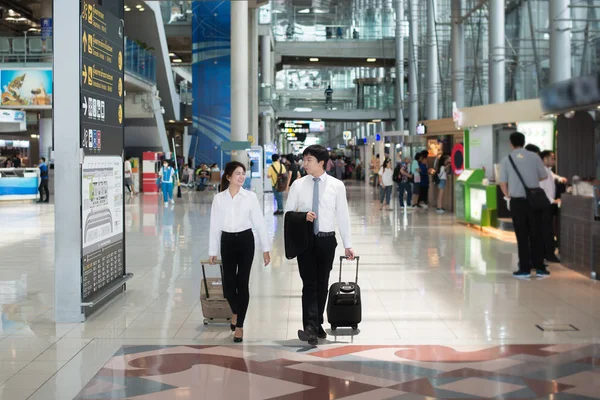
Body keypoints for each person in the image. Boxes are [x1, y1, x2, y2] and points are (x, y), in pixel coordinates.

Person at [285, 145, 354, 346]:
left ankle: (316, 324)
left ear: (321, 163)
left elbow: (342, 215)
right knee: (309, 284)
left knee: (322, 283)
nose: (304, 164)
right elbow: (288, 214)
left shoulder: (336, 185)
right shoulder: (298, 185)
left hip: (326, 240)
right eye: (304, 160)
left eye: (309, 160)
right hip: (305, 240)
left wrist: (347, 244)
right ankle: (311, 327)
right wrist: (302, 216)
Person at [208, 161, 271, 343]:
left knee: (242, 283)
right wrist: (213, 250)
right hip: (227, 242)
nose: (241, 176)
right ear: (228, 177)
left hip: (245, 241)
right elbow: (214, 226)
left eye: (243, 173)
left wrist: (266, 249)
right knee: (228, 286)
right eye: (237, 173)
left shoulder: (250, 197)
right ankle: (236, 311)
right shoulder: (219, 198)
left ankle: (240, 325)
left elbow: (259, 223)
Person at [499, 132, 549, 278]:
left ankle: (525, 269)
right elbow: (544, 176)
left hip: (517, 202)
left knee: (522, 235)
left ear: (511, 143)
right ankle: (539, 267)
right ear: (524, 141)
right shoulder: (534, 156)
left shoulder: (507, 159)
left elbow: (503, 182)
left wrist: (508, 195)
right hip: (534, 200)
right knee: (536, 233)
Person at [539, 150, 566, 263]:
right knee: (547, 230)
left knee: (548, 229)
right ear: (545, 159)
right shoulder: (541, 171)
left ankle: (548, 253)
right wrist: (552, 200)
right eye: (552, 158)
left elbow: (553, 176)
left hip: (548, 204)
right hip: (545, 204)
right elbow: (541, 188)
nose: (554, 161)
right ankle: (549, 254)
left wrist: (559, 178)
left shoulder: (547, 171)